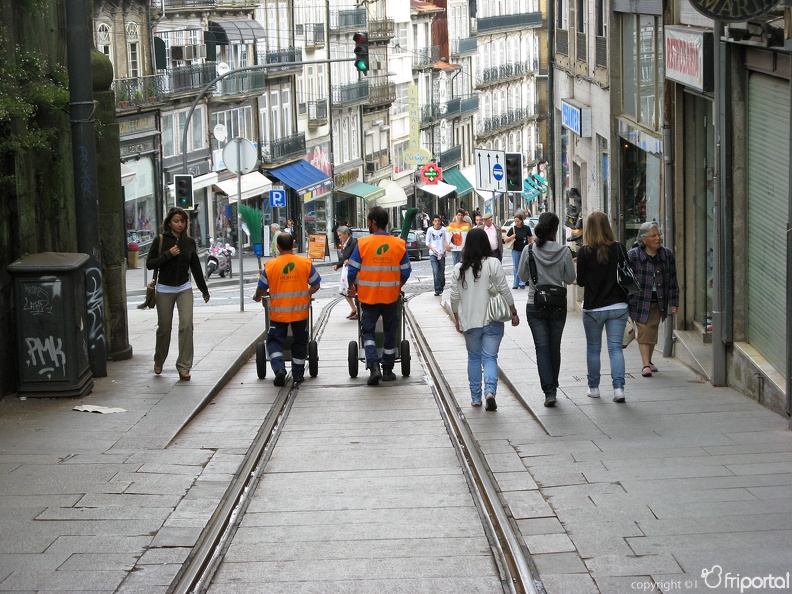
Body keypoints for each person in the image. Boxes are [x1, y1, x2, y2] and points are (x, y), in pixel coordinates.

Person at [451, 228, 519, 410]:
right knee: (490, 358)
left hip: (470, 322)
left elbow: (454, 297)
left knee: (473, 358)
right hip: (493, 320)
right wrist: (513, 311)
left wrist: (457, 318)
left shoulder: (459, 269)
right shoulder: (494, 263)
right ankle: (490, 392)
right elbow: (504, 289)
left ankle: (475, 397)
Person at [347, 206, 412, 386]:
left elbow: (352, 270)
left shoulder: (362, 244)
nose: (368, 225)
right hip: (391, 298)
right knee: (391, 332)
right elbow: (406, 272)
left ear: (374, 222)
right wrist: (397, 286)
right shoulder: (399, 244)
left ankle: (373, 365)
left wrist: (353, 286)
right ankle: (388, 370)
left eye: (368, 222)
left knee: (367, 332)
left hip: (368, 298)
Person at [517, 212, 576, 407]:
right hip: (558, 305)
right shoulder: (564, 252)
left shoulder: (529, 250)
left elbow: (522, 276)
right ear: (555, 230)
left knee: (542, 348)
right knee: (554, 347)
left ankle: (549, 390)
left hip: (535, 304)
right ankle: (553, 384)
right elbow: (569, 279)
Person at [146, 207, 210, 381]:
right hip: (164, 289)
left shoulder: (189, 242)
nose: (179, 224)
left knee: (187, 326)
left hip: (183, 288)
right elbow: (150, 264)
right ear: (169, 223)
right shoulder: (160, 240)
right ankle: (159, 359)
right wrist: (168, 254)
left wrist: (204, 290)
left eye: (182, 221)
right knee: (164, 328)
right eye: (176, 221)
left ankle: (184, 366)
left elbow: (195, 267)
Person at [253, 232, 321, 386]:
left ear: (278, 247)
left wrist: (257, 296)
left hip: (278, 314)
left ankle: (279, 369)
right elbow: (316, 284)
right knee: (300, 342)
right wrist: (305, 294)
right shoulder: (305, 263)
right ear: (293, 244)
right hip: (299, 313)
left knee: (274, 342)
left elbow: (261, 289)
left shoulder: (270, 266)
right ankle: (297, 374)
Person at [576, 212, 630, 403]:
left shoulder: (584, 252)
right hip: (618, 305)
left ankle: (594, 387)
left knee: (593, 349)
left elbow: (581, 282)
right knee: (615, 349)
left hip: (594, 308)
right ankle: (618, 389)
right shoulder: (619, 248)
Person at [627, 221, 679, 378]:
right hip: (640, 300)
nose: (658, 238)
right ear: (644, 239)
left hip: (659, 299)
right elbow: (625, 280)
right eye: (654, 235)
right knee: (644, 330)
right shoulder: (633, 255)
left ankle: (649, 362)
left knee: (652, 329)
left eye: (659, 234)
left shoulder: (666, 254)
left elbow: (672, 279)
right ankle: (645, 365)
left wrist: (674, 302)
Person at [333, 225, 358, 319]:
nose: (339, 238)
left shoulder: (354, 243)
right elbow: (344, 258)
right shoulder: (345, 243)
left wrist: (350, 261)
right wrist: (338, 265)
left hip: (354, 271)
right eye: (338, 236)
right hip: (347, 270)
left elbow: (357, 257)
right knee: (345, 291)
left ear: (347, 234)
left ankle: (358, 312)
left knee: (354, 291)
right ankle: (354, 309)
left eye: (340, 235)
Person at [506, 212, 533, 289]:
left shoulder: (526, 228)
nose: (517, 223)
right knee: (516, 267)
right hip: (515, 250)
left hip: (524, 250)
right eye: (515, 221)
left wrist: (532, 245)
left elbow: (531, 238)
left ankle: (522, 282)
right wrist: (512, 236)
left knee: (524, 266)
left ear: (521, 220)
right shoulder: (513, 229)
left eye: (518, 221)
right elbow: (505, 239)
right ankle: (516, 283)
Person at [426, 214, 448, 296]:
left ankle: (442, 285)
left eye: (438, 221)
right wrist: (433, 250)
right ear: (433, 222)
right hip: (433, 253)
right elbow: (427, 242)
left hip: (442, 253)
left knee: (441, 271)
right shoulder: (430, 230)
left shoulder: (444, 230)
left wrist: (444, 250)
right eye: (435, 221)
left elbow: (446, 240)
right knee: (435, 271)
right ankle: (437, 289)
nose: (437, 222)